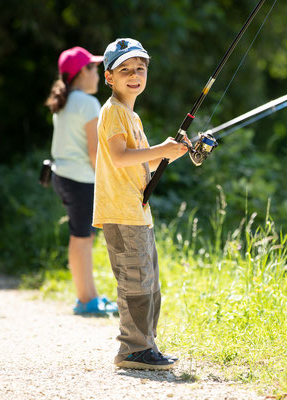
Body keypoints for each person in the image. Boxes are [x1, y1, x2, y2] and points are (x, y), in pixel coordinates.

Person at [93, 38, 189, 370]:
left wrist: (172, 153)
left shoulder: (132, 117)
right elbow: (120, 158)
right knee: (136, 284)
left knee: (148, 285)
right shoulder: (115, 112)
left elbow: (143, 165)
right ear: (109, 77)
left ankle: (145, 345)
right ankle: (133, 350)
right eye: (125, 70)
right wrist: (161, 150)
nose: (134, 75)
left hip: (136, 211)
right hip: (121, 212)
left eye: (140, 68)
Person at [45, 46, 118, 316]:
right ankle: (87, 300)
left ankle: (86, 297)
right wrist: (108, 180)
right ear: (81, 73)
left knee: (80, 236)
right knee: (83, 238)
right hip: (81, 180)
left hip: (63, 177)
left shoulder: (64, 102)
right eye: (94, 68)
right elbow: (93, 152)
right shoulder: (88, 103)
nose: (98, 73)